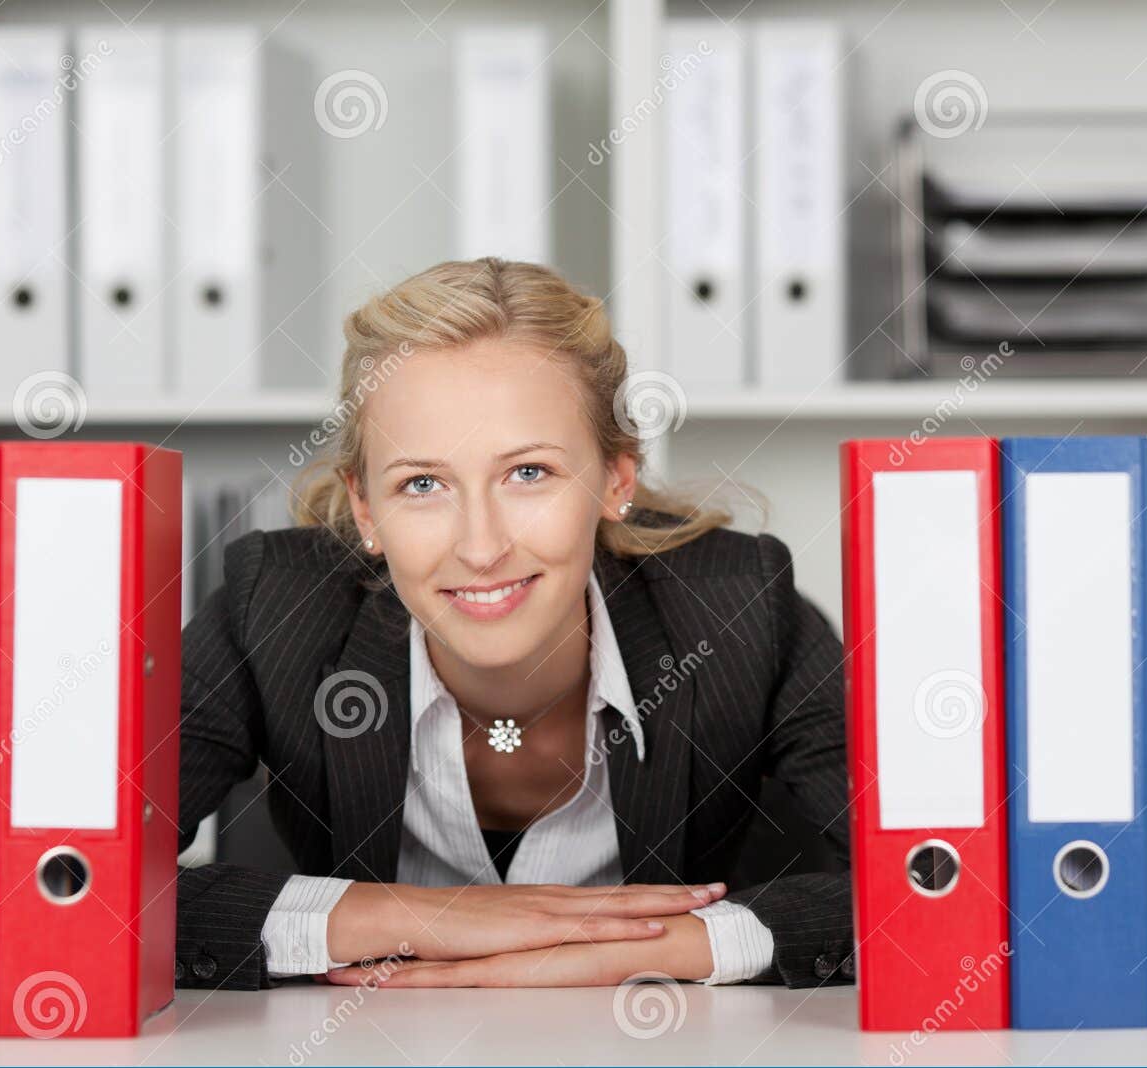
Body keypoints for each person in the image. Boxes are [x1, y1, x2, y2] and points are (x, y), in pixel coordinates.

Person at [175, 257, 853, 990]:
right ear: (365, 507)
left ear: (616, 479)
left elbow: (956, 882)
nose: (481, 545)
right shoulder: (273, 604)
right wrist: (406, 917)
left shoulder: (740, 607)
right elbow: (61, 884)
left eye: (528, 472)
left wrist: (667, 947)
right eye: (422, 483)